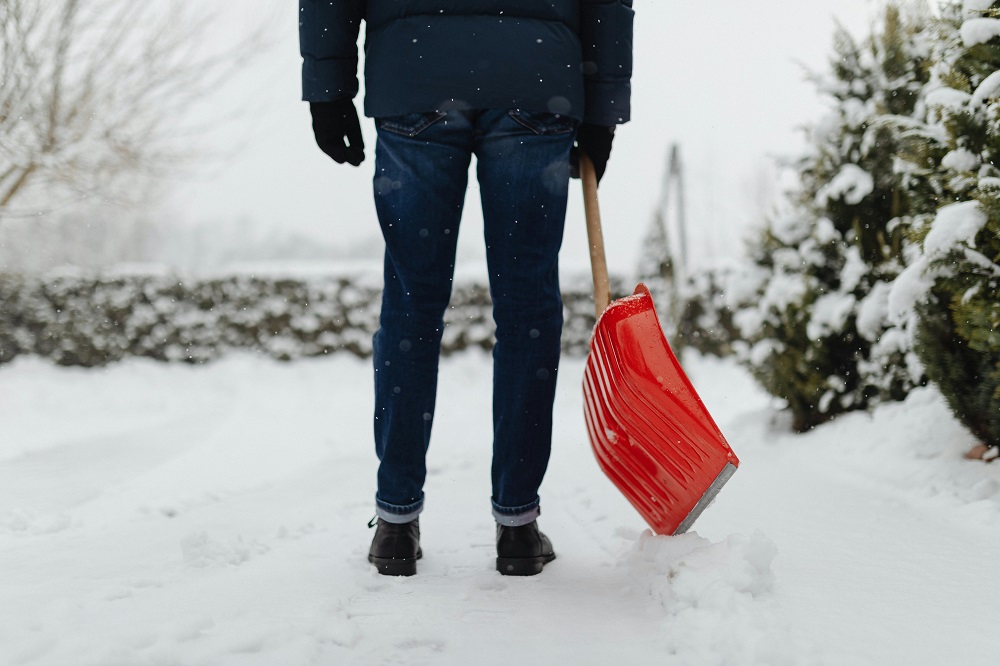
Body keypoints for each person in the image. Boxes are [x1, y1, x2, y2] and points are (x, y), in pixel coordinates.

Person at [299, 0, 634, 576]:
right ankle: (518, 525)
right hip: (535, 84)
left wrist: (328, 89)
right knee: (527, 302)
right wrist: (602, 107)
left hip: (415, 76)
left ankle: (396, 523)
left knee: (411, 300)